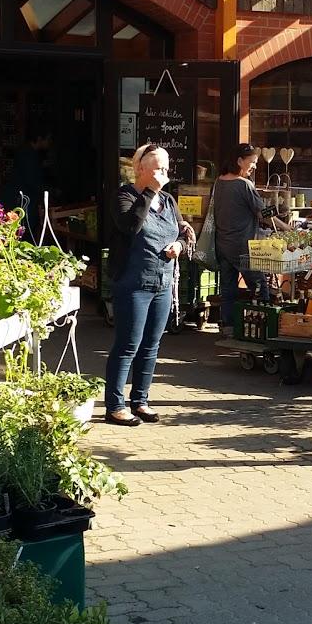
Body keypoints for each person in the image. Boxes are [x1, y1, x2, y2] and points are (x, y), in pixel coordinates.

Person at [104, 143, 195, 426]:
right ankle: (115, 405)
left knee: (151, 345)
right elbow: (130, 225)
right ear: (139, 169)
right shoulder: (125, 196)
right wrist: (150, 192)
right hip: (133, 282)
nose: (163, 174)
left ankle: (140, 400)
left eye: (166, 169)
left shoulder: (168, 200)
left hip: (162, 282)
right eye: (157, 168)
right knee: (128, 344)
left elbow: (184, 232)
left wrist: (179, 246)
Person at [213, 143, 290, 336]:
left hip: (223, 244)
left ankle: (228, 326)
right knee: (259, 286)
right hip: (243, 246)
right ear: (239, 161)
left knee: (228, 288)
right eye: (252, 162)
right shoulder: (243, 184)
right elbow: (263, 213)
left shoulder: (219, 182)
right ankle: (260, 327)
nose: (255, 166)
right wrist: (285, 226)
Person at [1, 130, 52, 240]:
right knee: (24, 230)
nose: (49, 142)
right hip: (22, 198)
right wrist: (49, 191)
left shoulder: (25, 152)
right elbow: (32, 181)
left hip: (19, 196)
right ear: (39, 139)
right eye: (48, 139)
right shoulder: (29, 155)